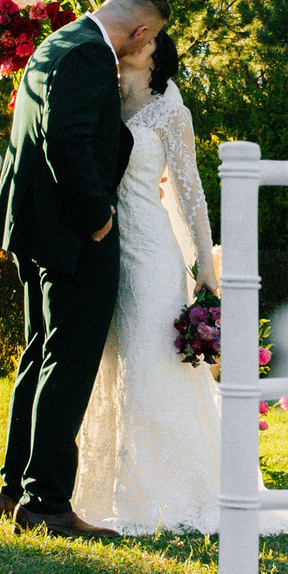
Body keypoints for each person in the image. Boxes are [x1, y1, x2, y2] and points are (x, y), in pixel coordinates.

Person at [0, 0, 169, 540]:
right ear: (141, 28)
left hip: (33, 226)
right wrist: (98, 218)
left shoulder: (56, 43)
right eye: (150, 38)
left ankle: (15, 485)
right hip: (73, 232)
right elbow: (65, 140)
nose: (147, 49)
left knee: (40, 356)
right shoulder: (92, 56)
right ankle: (47, 504)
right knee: (69, 362)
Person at [68, 27, 225, 534]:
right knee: (111, 360)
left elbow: (191, 192)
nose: (136, 42)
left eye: (148, 39)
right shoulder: (102, 101)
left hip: (152, 254)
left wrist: (205, 262)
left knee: (152, 360)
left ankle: (168, 489)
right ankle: (108, 483)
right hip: (103, 249)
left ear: (156, 54)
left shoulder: (171, 115)